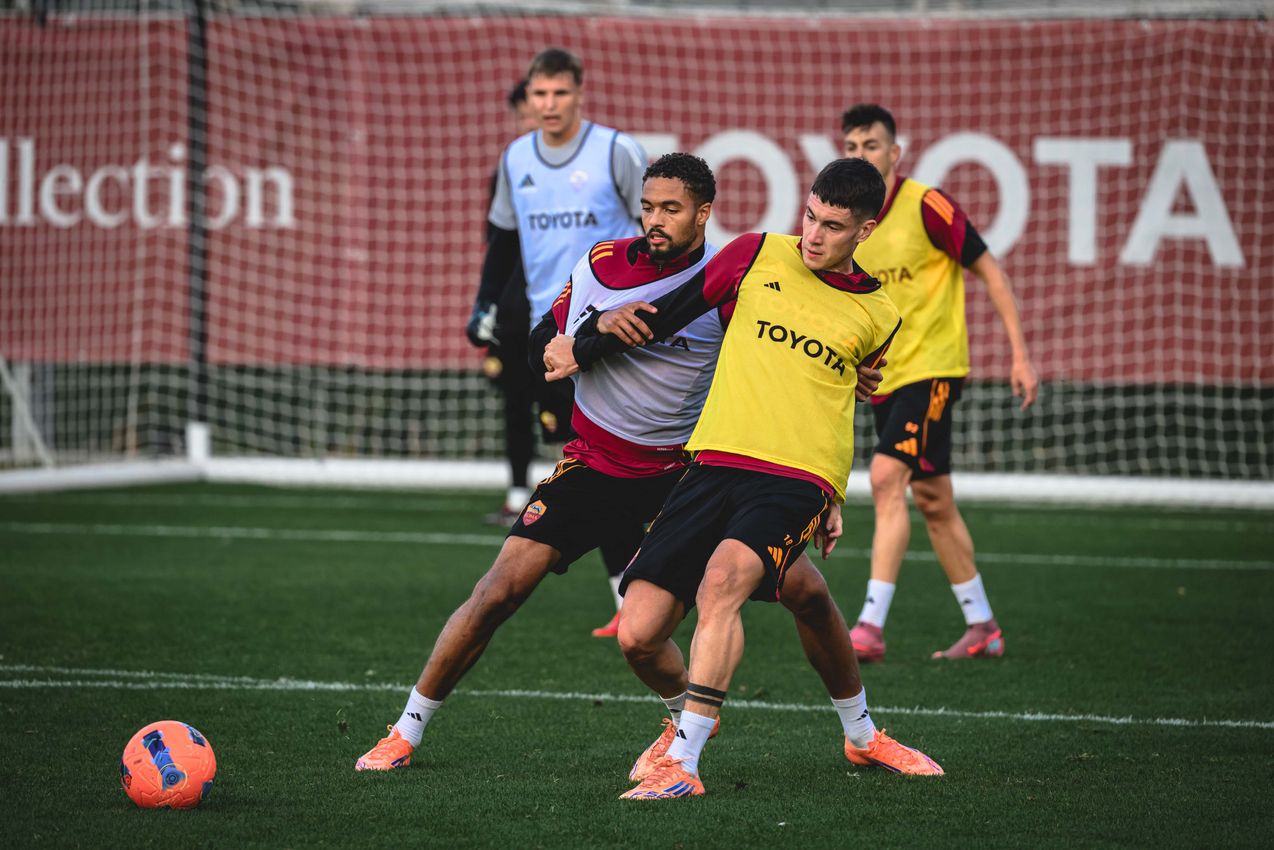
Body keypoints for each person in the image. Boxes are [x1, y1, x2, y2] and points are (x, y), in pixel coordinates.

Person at [354, 155, 911, 782]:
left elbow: (791, 375)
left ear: (703, 214)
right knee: (497, 592)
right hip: (591, 466)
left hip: (680, 473)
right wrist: (585, 333)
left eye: (670, 209)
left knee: (807, 593)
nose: (654, 220)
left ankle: (860, 733)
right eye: (648, 206)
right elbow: (547, 345)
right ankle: (406, 730)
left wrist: (826, 482)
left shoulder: (736, 278)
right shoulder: (602, 264)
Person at [545, 158, 943, 800]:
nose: (813, 235)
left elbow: (842, 393)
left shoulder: (880, 314)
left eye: (833, 227)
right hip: (712, 463)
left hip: (794, 477)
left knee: (724, 581)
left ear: (863, 232)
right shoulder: (755, 253)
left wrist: (830, 496)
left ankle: (687, 763)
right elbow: (666, 317)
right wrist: (580, 343)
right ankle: (859, 734)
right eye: (810, 217)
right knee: (642, 633)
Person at [838, 104, 1040, 663]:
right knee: (933, 499)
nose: (861, 156)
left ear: (895, 153)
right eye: (851, 147)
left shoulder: (927, 204)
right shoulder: (847, 223)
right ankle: (983, 626)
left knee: (884, 477)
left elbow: (990, 272)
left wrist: (1020, 357)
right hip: (884, 379)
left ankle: (869, 627)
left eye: (871, 145)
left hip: (934, 370)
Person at [465, 47, 649, 636]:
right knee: (594, 463)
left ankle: (638, 597)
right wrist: (485, 304)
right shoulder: (516, 157)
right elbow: (503, 238)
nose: (549, 105)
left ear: (579, 94)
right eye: (539, 94)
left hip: (615, 331)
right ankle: (630, 599)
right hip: (554, 333)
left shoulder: (616, 152)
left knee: (610, 463)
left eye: (560, 93)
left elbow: (656, 229)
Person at [476, 79, 545, 529]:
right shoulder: (509, 170)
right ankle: (518, 493)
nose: (528, 122)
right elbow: (497, 245)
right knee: (517, 401)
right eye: (521, 115)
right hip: (519, 305)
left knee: (584, 405)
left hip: (572, 305)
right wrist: (490, 304)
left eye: (535, 112)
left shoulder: (587, 169)